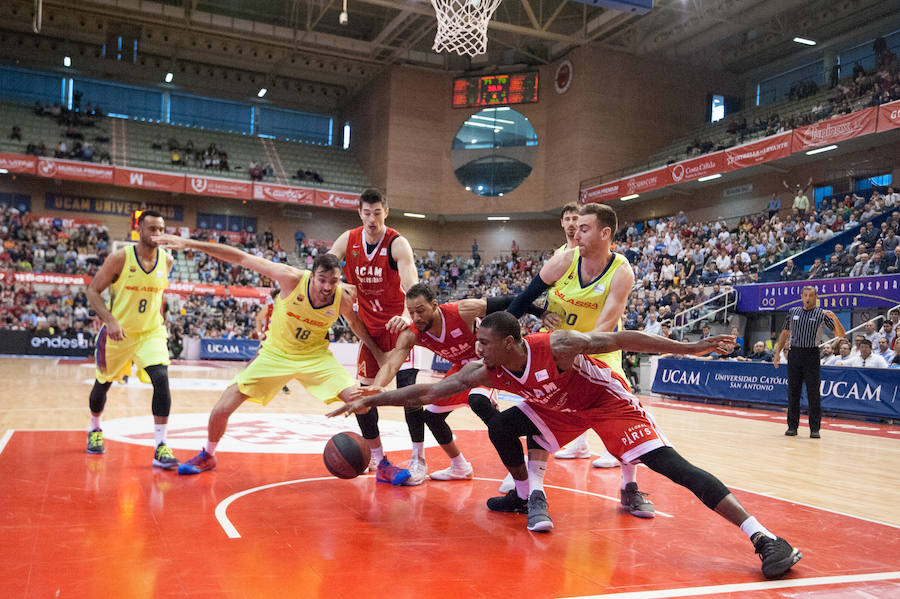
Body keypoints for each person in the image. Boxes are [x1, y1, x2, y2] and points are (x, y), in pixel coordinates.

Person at [329, 313, 802, 580]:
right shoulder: (486, 369)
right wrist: (375, 397)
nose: (478, 350)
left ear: (513, 342)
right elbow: (429, 392)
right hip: (559, 408)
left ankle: (765, 538)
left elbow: (620, 337)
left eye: (487, 344)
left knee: (673, 467)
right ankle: (524, 495)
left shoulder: (555, 345)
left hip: (605, 402)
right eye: (477, 342)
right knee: (501, 427)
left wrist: (689, 347)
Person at [150, 236, 375, 476]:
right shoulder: (290, 277)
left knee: (362, 403)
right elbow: (241, 257)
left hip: (316, 358)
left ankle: (379, 460)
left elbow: (356, 324)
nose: (328, 287)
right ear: (311, 276)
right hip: (275, 354)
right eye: (322, 280)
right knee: (221, 409)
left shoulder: (342, 298)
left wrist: (378, 351)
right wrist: (190, 244)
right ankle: (208, 454)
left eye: (334, 281)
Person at [507, 202, 641, 523]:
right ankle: (534, 491)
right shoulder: (564, 259)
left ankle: (630, 484)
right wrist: (504, 331)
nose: (575, 232)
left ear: (604, 233)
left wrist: (574, 362)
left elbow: (604, 330)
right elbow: (524, 297)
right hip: (557, 348)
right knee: (538, 409)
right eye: (574, 226)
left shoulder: (621, 271)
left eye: (583, 227)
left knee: (625, 410)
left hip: (599, 349)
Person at [368, 283, 551, 480]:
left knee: (478, 401)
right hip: (462, 370)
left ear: (435, 305)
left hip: (490, 362)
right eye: (411, 313)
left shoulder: (461, 311)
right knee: (431, 417)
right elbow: (391, 365)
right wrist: (376, 387)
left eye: (420, 311)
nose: (416, 318)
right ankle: (460, 466)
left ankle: (518, 461)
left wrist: (539, 313)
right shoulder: (412, 333)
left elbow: (507, 300)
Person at [328, 188, 424, 484]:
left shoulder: (398, 243)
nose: (372, 219)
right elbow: (324, 266)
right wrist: (340, 283)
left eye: (377, 212)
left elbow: (413, 286)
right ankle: (377, 457)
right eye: (367, 213)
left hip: (400, 330)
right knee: (364, 399)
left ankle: (419, 457)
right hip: (370, 333)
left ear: (386, 212)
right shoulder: (348, 239)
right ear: (360, 213)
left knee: (409, 395)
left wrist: (408, 316)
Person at [84, 211, 178, 469]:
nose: (156, 233)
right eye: (151, 228)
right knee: (103, 384)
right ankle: (94, 427)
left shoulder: (167, 261)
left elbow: (157, 298)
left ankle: (160, 446)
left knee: (161, 379)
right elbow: (92, 291)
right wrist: (110, 321)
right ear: (139, 229)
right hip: (118, 333)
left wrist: (160, 321)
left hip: (151, 333)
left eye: (160, 229)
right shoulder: (120, 258)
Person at [773, 286, 845, 439]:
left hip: (812, 354)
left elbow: (840, 335)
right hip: (794, 353)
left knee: (813, 393)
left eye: (811, 295)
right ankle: (792, 427)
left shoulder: (822, 314)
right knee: (793, 392)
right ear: (801, 296)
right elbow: (785, 333)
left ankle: (814, 429)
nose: (807, 298)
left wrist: (835, 318)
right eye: (805, 295)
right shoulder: (793, 312)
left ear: (816, 297)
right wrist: (777, 353)